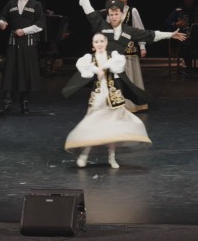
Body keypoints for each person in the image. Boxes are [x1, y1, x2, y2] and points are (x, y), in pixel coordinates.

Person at [77, 0, 186, 112]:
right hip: (103, 72)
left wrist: (170, 34)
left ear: (122, 14)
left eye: (117, 14)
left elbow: (151, 34)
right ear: (108, 14)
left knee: (123, 97)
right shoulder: (101, 25)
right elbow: (87, 7)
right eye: (111, 14)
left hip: (117, 73)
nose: (114, 17)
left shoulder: (128, 30)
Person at [63, 33, 152, 169]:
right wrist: (95, 69)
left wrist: (105, 67)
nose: (99, 44)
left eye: (101, 41)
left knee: (113, 128)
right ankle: (85, 154)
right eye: (96, 42)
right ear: (93, 44)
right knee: (92, 126)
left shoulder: (114, 56)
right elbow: (84, 69)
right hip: (98, 97)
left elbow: (118, 67)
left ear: (106, 43)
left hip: (113, 97)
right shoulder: (89, 58)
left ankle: (112, 157)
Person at [0, 0, 45, 115]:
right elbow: (1, 17)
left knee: (25, 72)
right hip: (13, 43)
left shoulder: (36, 5)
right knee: (10, 72)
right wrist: (1, 23)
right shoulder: (11, 4)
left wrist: (25, 31)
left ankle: (24, 104)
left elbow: (40, 25)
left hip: (28, 44)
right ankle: (7, 104)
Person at [165, 0, 198, 75]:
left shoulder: (197, 10)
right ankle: (189, 68)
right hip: (182, 37)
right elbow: (167, 22)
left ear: (193, 0)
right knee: (185, 44)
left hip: (197, 37)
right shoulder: (178, 11)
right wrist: (176, 24)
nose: (189, 1)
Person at [116, 0, 148, 89]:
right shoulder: (112, 11)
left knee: (130, 74)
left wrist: (142, 47)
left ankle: (132, 96)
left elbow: (140, 30)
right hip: (116, 49)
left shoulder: (132, 11)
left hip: (129, 49)